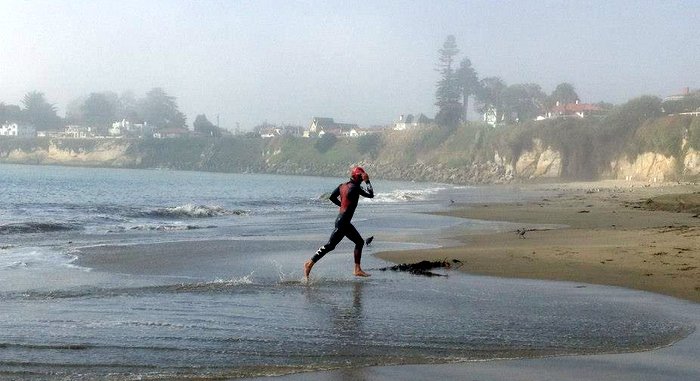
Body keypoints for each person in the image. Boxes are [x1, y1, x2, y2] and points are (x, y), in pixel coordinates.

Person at [304, 166, 374, 279]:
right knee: (334, 245)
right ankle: (310, 263)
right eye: (361, 178)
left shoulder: (342, 186)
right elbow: (371, 194)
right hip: (343, 222)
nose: (362, 179)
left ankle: (357, 269)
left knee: (337, 245)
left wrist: (341, 206)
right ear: (358, 178)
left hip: (342, 220)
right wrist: (367, 181)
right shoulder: (356, 188)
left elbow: (331, 197)